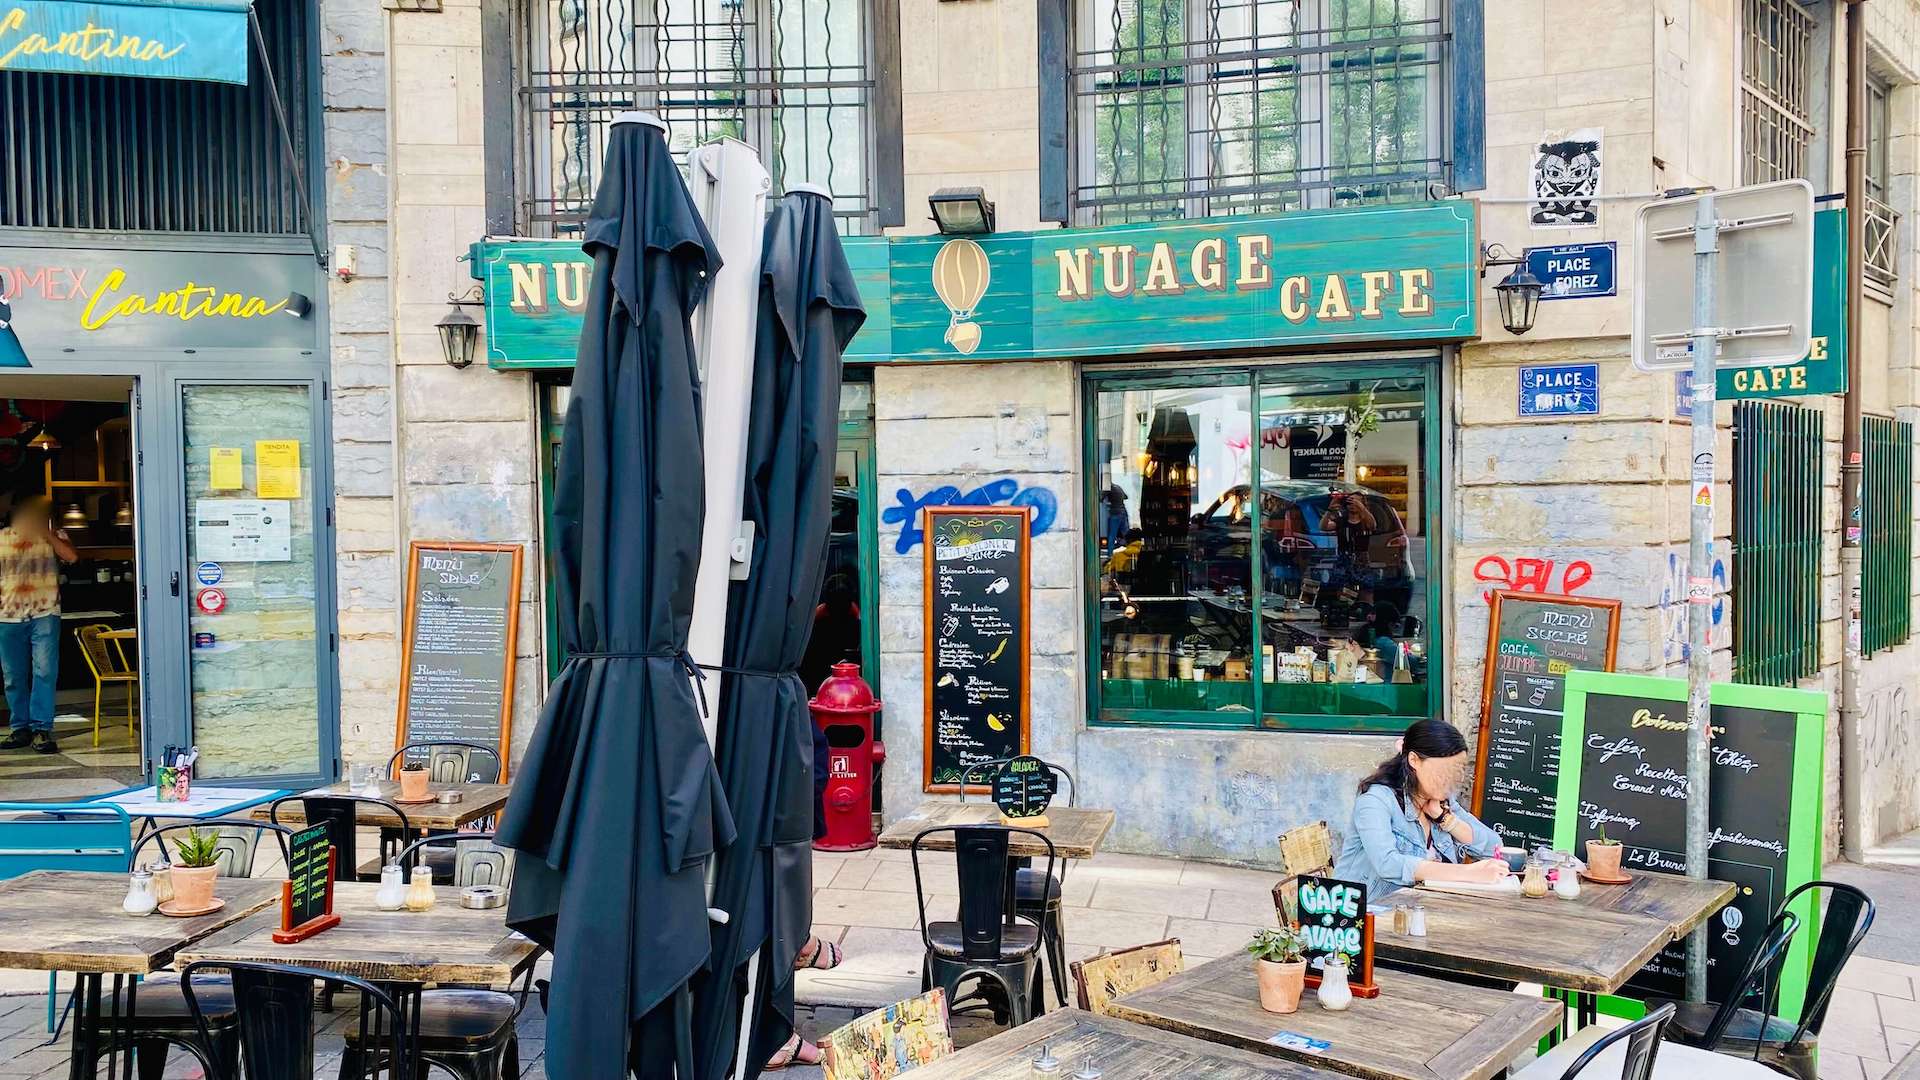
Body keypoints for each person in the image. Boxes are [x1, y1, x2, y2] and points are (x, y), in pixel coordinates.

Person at [1333, 718, 1508, 896]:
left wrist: (1446, 820)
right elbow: (1387, 864)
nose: (1455, 778)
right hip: (1361, 913)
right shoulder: (1375, 800)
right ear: (1414, 760)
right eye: (1445, 769)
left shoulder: (1442, 802)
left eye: (1459, 769)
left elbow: (1493, 848)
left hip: (1417, 910)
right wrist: (1469, 873)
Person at [0, 496, 77, 753]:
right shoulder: (2, 538)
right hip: (7, 614)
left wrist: (46, 532)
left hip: (45, 611)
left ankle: (42, 729)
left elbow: (71, 557)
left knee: (44, 672)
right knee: (13, 676)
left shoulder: (55, 535)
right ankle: (19, 728)